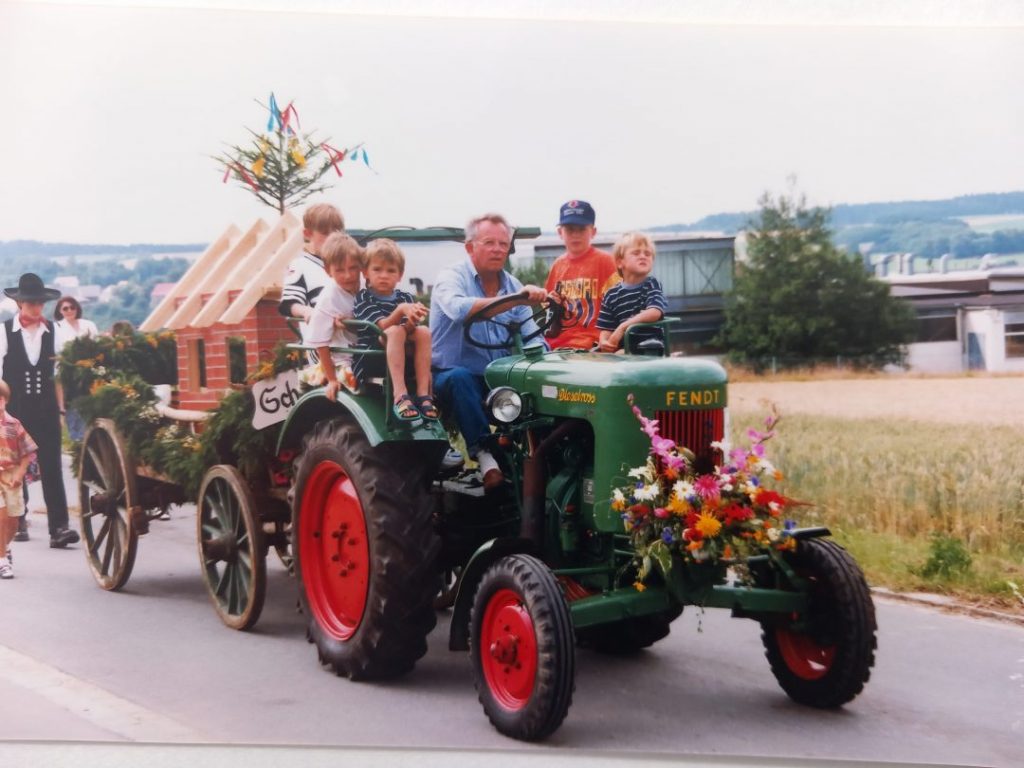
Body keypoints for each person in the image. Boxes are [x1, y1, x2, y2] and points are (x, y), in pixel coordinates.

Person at [430, 213, 551, 490]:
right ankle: (486, 457)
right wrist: (513, 301)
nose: (498, 249)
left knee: (540, 382)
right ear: (470, 247)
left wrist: (548, 364)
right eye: (489, 242)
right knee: (461, 378)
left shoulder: (513, 285)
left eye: (503, 243)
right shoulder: (450, 278)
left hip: (496, 378)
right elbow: (459, 309)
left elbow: (532, 337)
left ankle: (542, 459)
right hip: (448, 377)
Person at [0, 273, 79, 548]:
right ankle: (18, 519)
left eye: (39, 303)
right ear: (20, 303)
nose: (36, 307)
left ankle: (59, 527)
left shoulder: (56, 331)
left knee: (52, 467)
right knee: (13, 467)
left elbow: (58, 375)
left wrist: (60, 412)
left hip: (46, 410)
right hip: (15, 411)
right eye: (31, 302)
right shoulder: (5, 331)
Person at [353, 239, 437, 421]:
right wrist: (401, 311)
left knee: (423, 331)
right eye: (377, 269)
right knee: (395, 331)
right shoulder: (364, 298)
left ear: (400, 275)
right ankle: (400, 395)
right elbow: (382, 327)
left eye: (391, 271)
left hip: (401, 354)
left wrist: (413, 319)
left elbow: (407, 330)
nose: (384, 275)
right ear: (365, 272)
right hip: (373, 356)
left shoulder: (405, 297)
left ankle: (424, 395)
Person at [544, 199, 620, 349]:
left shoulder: (606, 262)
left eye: (581, 229)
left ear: (593, 231)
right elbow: (549, 308)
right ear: (560, 233)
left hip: (594, 343)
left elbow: (618, 308)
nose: (575, 235)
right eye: (570, 229)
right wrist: (553, 303)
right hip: (558, 343)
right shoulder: (558, 265)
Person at [307, 231, 363, 400]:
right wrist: (331, 380)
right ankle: (321, 373)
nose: (348, 275)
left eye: (353, 268)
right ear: (328, 271)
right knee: (358, 382)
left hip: (367, 350)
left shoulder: (368, 284)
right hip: (343, 357)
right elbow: (321, 342)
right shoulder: (328, 299)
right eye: (340, 270)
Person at [597, 232, 667, 353]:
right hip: (622, 349)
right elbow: (606, 329)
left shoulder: (651, 284)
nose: (643, 256)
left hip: (649, 348)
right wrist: (603, 342)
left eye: (648, 254)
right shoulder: (611, 295)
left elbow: (654, 312)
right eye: (636, 253)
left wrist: (623, 327)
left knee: (619, 354)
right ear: (620, 262)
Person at [279, 202, 344, 325]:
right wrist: (306, 311)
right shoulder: (301, 265)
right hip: (321, 338)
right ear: (308, 234)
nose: (332, 238)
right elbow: (289, 303)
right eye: (325, 233)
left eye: (336, 232)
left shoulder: (348, 265)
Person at [0, 379, 38, 578]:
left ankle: (4, 547)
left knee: (13, 520)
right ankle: (2, 561)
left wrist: (20, 474)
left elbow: (27, 452)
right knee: (1, 515)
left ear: (5, 401)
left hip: (12, 476)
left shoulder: (14, 425)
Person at [53, 295, 98, 442]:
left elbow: (97, 346)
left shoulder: (88, 325)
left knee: (91, 411)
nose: (69, 310)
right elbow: (57, 353)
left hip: (90, 373)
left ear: (77, 308)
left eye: (72, 307)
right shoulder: (57, 327)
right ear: (60, 311)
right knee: (74, 411)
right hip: (69, 375)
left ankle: (91, 439)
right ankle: (77, 442)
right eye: (65, 308)